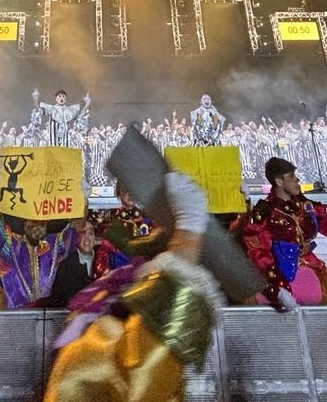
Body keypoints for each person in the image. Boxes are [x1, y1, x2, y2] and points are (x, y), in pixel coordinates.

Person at [42, 172, 225, 402]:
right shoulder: (113, 226)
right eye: (124, 193)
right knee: (119, 358)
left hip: (133, 297)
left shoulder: (149, 224)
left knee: (96, 357)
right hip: (135, 295)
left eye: (132, 193)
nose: (129, 198)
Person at [234, 156, 327, 307]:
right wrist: (277, 285)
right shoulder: (265, 212)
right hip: (278, 273)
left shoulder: (305, 206)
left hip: (312, 268)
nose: (297, 181)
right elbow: (259, 253)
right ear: (279, 182)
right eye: (291, 177)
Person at [0, 215, 77, 308]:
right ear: (24, 223)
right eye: (33, 222)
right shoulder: (13, 245)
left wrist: (81, 207)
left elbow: (71, 233)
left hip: (49, 314)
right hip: (17, 315)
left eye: (41, 223)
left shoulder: (52, 244)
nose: (37, 226)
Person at [50, 219, 100, 308]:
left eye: (91, 233)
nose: (87, 238)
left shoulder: (104, 261)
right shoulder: (65, 267)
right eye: (83, 233)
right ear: (75, 237)